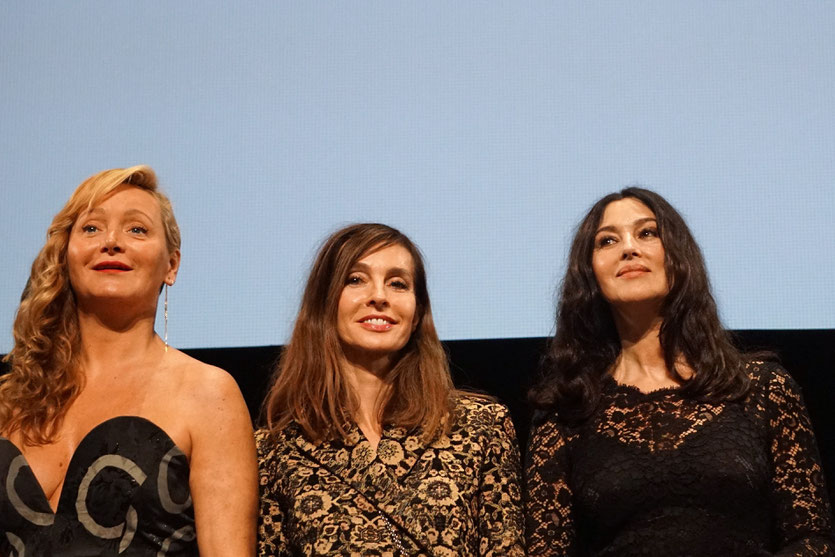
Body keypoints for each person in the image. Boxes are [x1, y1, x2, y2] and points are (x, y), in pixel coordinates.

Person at [525, 187, 835, 556]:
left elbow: (811, 538)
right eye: (607, 240)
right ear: (590, 275)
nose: (629, 248)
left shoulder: (762, 387)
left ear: (678, 257)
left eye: (647, 233)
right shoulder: (566, 411)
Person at [0, 166, 257, 556]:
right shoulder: (12, 395)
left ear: (171, 265)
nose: (111, 242)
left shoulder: (208, 394)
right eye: (91, 229)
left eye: (136, 229)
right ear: (66, 255)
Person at [256, 223, 525, 556]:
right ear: (325, 304)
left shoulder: (482, 426)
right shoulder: (275, 450)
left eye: (398, 283)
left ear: (416, 315)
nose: (379, 296)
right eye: (355, 279)